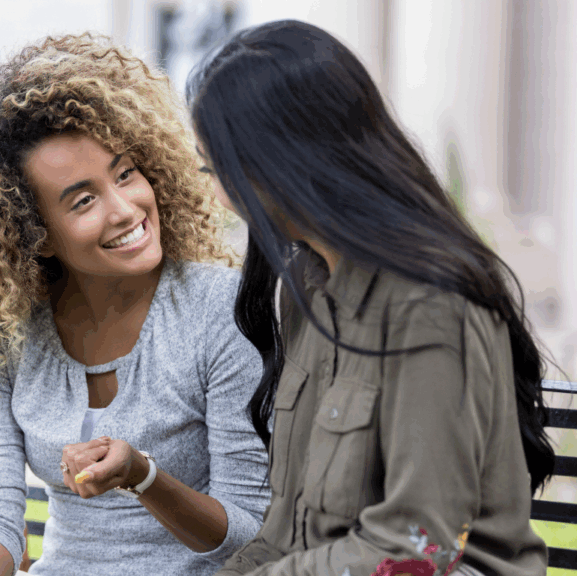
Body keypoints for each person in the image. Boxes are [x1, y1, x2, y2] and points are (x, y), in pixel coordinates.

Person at [188, 19, 556, 576]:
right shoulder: (305, 287)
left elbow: (415, 547)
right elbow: (285, 535)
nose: (216, 193)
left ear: (282, 162)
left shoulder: (430, 307)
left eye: (215, 168)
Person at [0, 34, 270, 576]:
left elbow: (250, 535)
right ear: (33, 234)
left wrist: (144, 477)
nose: (126, 210)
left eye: (126, 174)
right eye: (84, 200)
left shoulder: (223, 310)